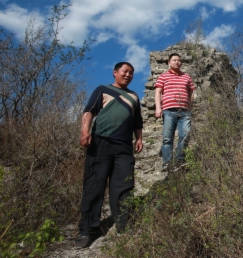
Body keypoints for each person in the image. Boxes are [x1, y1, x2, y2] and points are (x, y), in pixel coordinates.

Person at [75, 62, 143, 248]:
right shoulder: (103, 89)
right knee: (94, 185)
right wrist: (84, 132)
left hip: (123, 147)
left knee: (124, 186)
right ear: (115, 72)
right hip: (100, 142)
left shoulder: (133, 96)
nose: (128, 75)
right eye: (125, 71)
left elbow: (137, 120)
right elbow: (89, 111)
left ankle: (124, 225)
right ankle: (87, 230)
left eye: (131, 72)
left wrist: (139, 139)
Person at [154, 53, 196, 170]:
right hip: (168, 110)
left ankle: (180, 160)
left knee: (185, 135)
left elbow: (191, 92)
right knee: (168, 138)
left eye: (179, 60)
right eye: (174, 60)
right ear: (169, 62)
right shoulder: (163, 76)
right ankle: (167, 162)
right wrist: (158, 107)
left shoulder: (186, 77)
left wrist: (190, 106)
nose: (177, 62)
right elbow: (158, 92)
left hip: (184, 111)